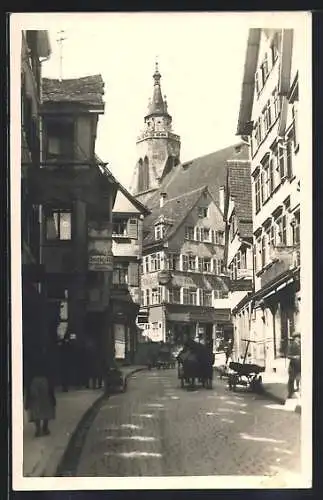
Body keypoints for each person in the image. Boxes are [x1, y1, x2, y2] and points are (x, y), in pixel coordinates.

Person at [24, 348, 56, 437]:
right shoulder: (46, 360)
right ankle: (45, 427)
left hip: (33, 382)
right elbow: (50, 372)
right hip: (45, 381)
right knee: (46, 404)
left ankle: (38, 428)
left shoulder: (30, 361)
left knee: (35, 405)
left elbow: (28, 373)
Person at [287, 333, 301, 398]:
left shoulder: (301, 345)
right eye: (298, 337)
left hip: (300, 366)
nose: (299, 339)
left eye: (300, 337)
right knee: (291, 380)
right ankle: (290, 393)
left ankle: (299, 390)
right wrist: (294, 357)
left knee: (299, 379)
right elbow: (288, 355)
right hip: (293, 366)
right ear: (295, 338)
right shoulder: (291, 345)